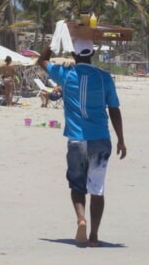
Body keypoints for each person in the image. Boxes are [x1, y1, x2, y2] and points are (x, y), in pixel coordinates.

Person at [37, 38, 127, 247]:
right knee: (97, 188)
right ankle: (94, 236)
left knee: (77, 184)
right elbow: (114, 109)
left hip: (76, 139)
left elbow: (41, 60)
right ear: (92, 54)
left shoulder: (65, 74)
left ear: (75, 55)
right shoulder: (105, 78)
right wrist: (121, 139)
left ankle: (81, 219)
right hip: (100, 140)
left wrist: (54, 40)